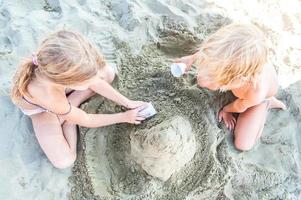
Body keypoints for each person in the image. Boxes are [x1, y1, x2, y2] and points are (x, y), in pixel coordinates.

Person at [11, 30, 147, 168]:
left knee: (107, 73)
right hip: (42, 111)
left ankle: (70, 110)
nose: (92, 82)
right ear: (68, 81)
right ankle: (68, 121)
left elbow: (95, 80)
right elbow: (86, 119)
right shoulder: (52, 97)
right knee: (64, 161)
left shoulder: (52, 60)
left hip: (59, 93)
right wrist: (124, 116)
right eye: (87, 81)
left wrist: (127, 102)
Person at [175, 23, 286, 151]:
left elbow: (239, 105)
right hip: (242, 69)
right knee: (203, 80)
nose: (207, 75)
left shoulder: (255, 91)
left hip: (257, 99)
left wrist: (227, 110)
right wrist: (191, 59)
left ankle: (268, 104)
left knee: (243, 144)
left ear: (239, 78)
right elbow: (212, 51)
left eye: (215, 76)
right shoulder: (224, 56)